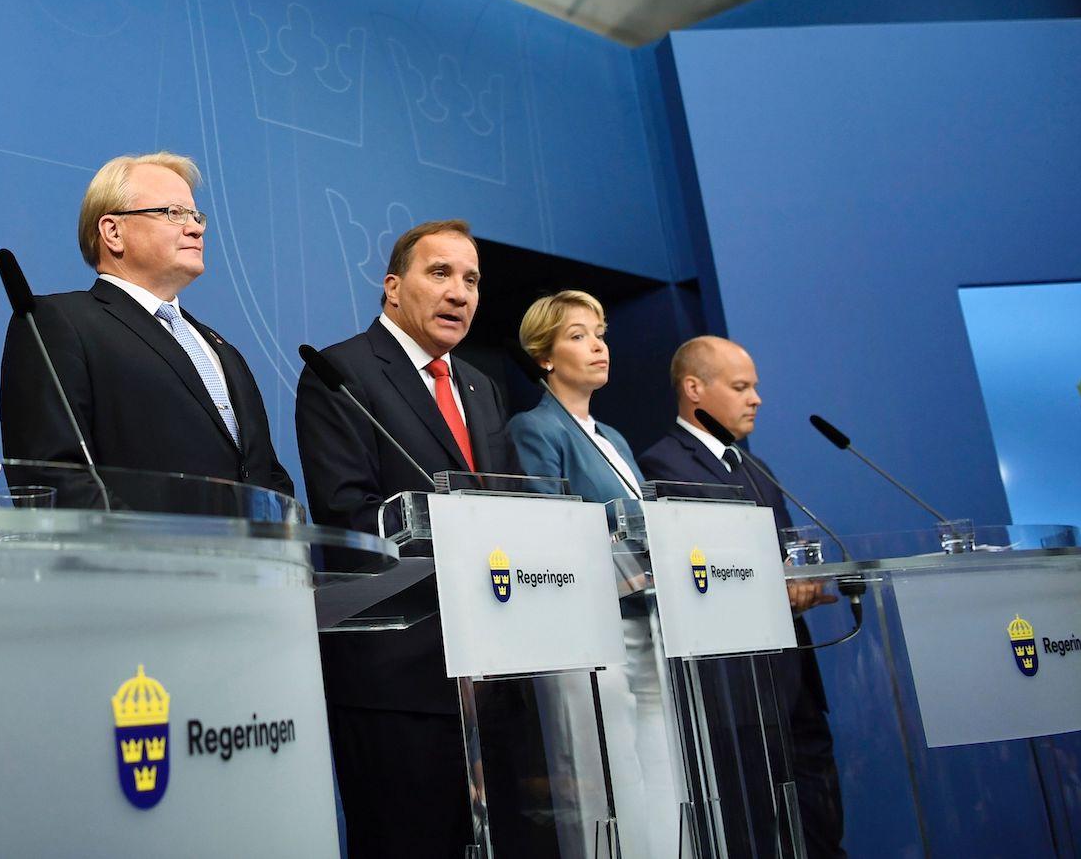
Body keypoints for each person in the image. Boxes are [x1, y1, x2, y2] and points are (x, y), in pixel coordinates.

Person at [295, 219, 529, 856]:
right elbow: (346, 517)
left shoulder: (481, 387)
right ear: (394, 288)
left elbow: (507, 509)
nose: (460, 292)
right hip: (396, 673)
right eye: (441, 273)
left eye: (472, 280)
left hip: (488, 669)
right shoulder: (341, 372)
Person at [639, 336, 846, 859]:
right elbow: (693, 571)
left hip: (793, 672)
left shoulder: (758, 468)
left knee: (819, 820)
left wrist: (803, 580)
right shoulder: (662, 465)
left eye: (754, 386)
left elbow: (790, 553)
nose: (756, 398)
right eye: (741, 387)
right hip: (734, 684)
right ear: (694, 389)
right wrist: (775, 584)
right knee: (756, 828)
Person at [0, 151, 293, 496]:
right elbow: (54, 477)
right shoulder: (57, 323)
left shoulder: (219, 348)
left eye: (196, 215)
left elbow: (267, 472)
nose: (195, 227)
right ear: (113, 232)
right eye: (174, 213)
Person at [508, 290, 681, 859]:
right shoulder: (536, 429)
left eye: (599, 333)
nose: (598, 346)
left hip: (649, 618)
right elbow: (551, 528)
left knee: (662, 763)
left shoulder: (615, 439)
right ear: (546, 356)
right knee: (603, 770)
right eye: (578, 335)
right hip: (590, 625)